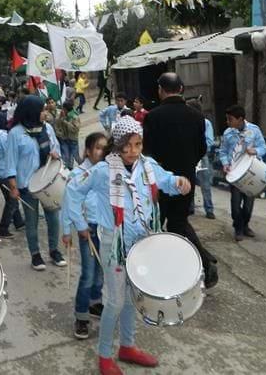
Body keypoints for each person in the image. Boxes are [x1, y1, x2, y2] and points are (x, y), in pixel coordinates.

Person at [63, 116, 191, 374]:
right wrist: (77, 223)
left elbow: (167, 181)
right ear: (116, 145)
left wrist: (179, 183)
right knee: (115, 301)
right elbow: (73, 190)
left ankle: (128, 346)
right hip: (115, 244)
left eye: (138, 144)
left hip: (142, 243)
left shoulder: (148, 166)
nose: (133, 151)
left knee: (133, 298)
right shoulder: (102, 171)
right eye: (127, 145)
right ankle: (104, 354)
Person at [143, 73, 218, 287]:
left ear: (161, 90)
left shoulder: (153, 117)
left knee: (155, 224)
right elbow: (201, 149)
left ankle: (155, 270)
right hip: (186, 181)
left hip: (161, 182)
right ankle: (204, 263)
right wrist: (185, 167)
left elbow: (146, 152)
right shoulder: (196, 116)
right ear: (181, 89)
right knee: (178, 222)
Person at [5, 95, 66, 270]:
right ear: (31, 112)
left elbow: (56, 149)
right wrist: (13, 187)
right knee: (31, 223)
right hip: (27, 186)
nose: (45, 113)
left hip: (48, 183)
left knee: (53, 219)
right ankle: (35, 255)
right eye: (42, 110)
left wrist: (54, 155)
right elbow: (10, 163)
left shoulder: (47, 128)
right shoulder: (16, 133)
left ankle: (54, 250)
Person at [61, 132, 108, 340]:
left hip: (104, 228)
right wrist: (66, 230)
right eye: (97, 147)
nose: (101, 151)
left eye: (105, 148)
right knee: (88, 273)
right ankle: (81, 315)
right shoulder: (77, 174)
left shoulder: (106, 172)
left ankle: (94, 302)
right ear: (87, 151)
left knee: (101, 270)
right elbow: (67, 203)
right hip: (86, 229)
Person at [219, 104, 266, 242]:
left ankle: (245, 225)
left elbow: (263, 147)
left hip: (250, 172)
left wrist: (256, 151)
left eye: (230, 119)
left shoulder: (254, 130)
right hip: (234, 173)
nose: (228, 122)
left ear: (240, 119)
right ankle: (238, 228)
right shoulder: (228, 133)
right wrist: (225, 164)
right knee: (235, 204)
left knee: (248, 204)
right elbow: (222, 152)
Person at [0, 111, 25, 238]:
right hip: (5, 173)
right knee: (12, 201)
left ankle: (18, 221)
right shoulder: (2, 137)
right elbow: (11, 153)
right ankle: (3, 229)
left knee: (10, 198)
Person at [187, 99, 216, 219]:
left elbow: (209, 141)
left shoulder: (206, 123)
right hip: (189, 156)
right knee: (189, 182)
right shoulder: (185, 123)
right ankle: (190, 207)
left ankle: (209, 209)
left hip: (201, 156)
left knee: (205, 184)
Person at [55, 101, 81, 170]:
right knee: (69, 157)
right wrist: (60, 118)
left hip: (73, 140)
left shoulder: (74, 116)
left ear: (66, 109)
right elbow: (57, 124)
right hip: (66, 139)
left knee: (76, 156)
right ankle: (70, 169)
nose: (62, 110)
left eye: (63, 108)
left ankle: (84, 167)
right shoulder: (64, 115)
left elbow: (75, 129)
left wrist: (65, 121)